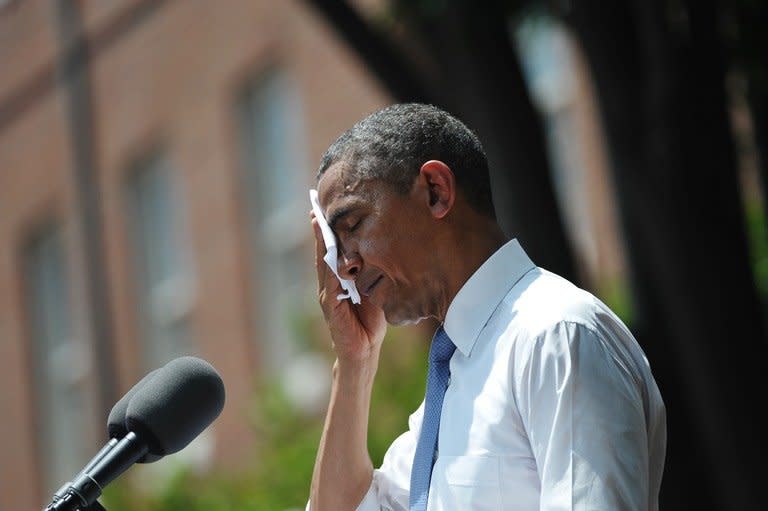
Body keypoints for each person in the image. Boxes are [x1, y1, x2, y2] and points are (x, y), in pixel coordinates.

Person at [306, 103, 666, 511]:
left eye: (352, 225)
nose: (345, 266)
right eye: (335, 248)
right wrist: (354, 362)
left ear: (436, 191)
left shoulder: (555, 334)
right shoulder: (448, 390)